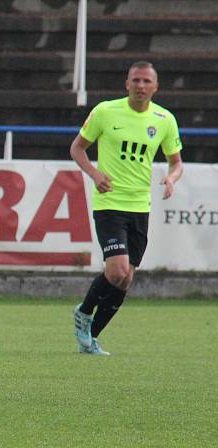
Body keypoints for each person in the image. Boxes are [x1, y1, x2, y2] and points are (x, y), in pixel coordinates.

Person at [70, 61, 184, 355]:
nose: (141, 86)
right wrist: (95, 174)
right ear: (127, 83)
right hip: (110, 203)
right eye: (136, 80)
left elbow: (176, 162)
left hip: (139, 206)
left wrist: (171, 179)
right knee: (117, 269)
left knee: (126, 278)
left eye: (147, 81)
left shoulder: (164, 119)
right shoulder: (106, 111)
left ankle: (91, 337)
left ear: (155, 87)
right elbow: (77, 148)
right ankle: (83, 312)